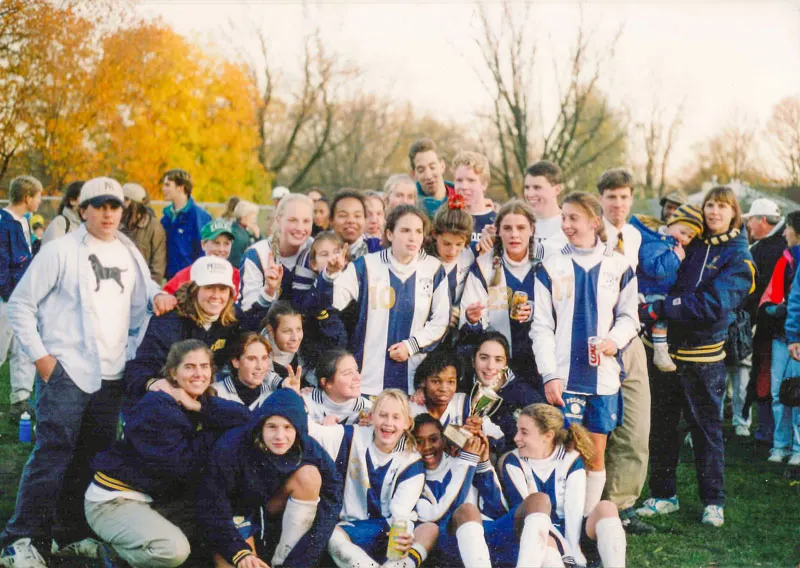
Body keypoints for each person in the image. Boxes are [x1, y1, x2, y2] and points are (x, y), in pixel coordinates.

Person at [0, 177, 175, 566]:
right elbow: (20, 305)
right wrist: (43, 359)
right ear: (84, 209)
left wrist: (159, 295)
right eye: (99, 205)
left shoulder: (128, 250)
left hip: (111, 375)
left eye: (115, 206)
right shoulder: (61, 250)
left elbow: (146, 291)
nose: (108, 212)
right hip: (67, 373)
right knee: (52, 456)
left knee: (92, 459)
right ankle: (20, 540)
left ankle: (69, 534)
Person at [638, 186, 755, 528]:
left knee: (706, 431)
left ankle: (713, 501)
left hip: (703, 357)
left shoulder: (739, 256)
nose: (714, 212)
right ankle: (663, 495)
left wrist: (662, 307)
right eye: (709, 206)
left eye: (722, 207)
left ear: (735, 213)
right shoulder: (693, 240)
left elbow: (714, 304)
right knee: (661, 428)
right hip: (666, 353)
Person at [85, 340, 250, 568]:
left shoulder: (199, 400)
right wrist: (217, 434)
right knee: (173, 551)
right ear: (173, 372)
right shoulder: (157, 405)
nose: (198, 374)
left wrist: (200, 408)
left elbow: (247, 418)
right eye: (189, 367)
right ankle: (114, 553)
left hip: (152, 498)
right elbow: (182, 466)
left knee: (215, 518)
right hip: (114, 500)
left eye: (204, 366)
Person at [532, 191, 639, 534]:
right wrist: (549, 374)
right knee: (562, 453)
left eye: (573, 218)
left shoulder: (619, 265)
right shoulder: (550, 266)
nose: (566, 225)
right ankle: (562, 525)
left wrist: (612, 341)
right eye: (563, 217)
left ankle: (589, 525)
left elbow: (629, 317)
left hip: (603, 378)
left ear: (595, 221)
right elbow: (542, 326)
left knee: (595, 453)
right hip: (564, 378)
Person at [199, 389, 342, 568]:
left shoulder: (307, 446)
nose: (280, 436)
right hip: (235, 517)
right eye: (272, 426)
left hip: (270, 509)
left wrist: (303, 558)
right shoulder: (231, 447)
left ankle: (283, 561)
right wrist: (239, 552)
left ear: (298, 428)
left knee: (309, 475)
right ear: (261, 426)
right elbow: (213, 508)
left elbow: (333, 496)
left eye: (288, 427)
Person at [318, 204, 450, 396]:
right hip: (367, 381)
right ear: (389, 234)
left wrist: (411, 345)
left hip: (412, 383)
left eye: (418, 231)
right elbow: (332, 303)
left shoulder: (434, 269)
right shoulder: (366, 265)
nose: (413, 237)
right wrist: (331, 274)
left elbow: (440, 322)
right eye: (405, 230)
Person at [594, 168, 655, 534]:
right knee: (597, 427)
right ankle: (590, 504)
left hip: (628, 337)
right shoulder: (586, 232)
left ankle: (621, 505)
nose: (618, 204)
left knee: (635, 425)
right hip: (593, 340)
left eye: (624, 197)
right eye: (611, 196)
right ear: (601, 198)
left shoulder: (633, 236)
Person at [314, 389, 437, 568]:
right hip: (353, 528)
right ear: (371, 417)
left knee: (429, 530)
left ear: (407, 423)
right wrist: (293, 395)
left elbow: (400, 512)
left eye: (396, 417)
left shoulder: (411, 460)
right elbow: (314, 432)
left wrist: (404, 536)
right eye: (383, 415)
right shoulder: (351, 436)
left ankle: (398, 565)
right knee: (331, 534)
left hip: (388, 529)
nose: (388, 423)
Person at [125, 256, 266, 408]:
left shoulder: (232, 317)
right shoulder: (170, 321)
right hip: (165, 401)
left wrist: (269, 292)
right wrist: (160, 385)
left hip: (203, 396)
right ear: (194, 289)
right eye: (209, 287)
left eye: (223, 289)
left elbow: (255, 333)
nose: (216, 296)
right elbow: (137, 370)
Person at [500, 404, 628, 568]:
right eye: (518, 430)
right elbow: (529, 517)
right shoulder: (513, 462)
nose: (516, 437)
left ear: (547, 436)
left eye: (524, 432)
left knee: (607, 508)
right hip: (535, 536)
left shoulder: (571, 459)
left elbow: (574, 511)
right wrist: (563, 551)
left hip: (571, 536)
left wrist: (573, 550)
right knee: (546, 542)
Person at [411, 415, 511, 568]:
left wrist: (483, 464)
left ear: (443, 441)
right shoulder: (412, 476)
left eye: (433, 439)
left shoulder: (461, 462)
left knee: (536, 501)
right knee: (468, 510)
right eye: (419, 441)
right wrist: (468, 460)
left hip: (484, 540)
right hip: (449, 545)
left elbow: (498, 510)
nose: (426, 447)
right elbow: (437, 517)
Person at [459, 199, 539, 390]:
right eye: (507, 228)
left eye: (521, 228)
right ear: (498, 230)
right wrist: (473, 319)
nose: (514, 235)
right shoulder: (484, 265)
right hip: (498, 366)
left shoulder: (546, 262)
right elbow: (468, 319)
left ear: (532, 229)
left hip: (539, 362)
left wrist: (533, 311)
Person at [630, 204, 704, 372]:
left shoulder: (669, 242)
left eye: (690, 236)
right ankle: (660, 350)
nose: (685, 239)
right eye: (683, 232)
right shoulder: (655, 241)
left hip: (660, 291)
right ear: (671, 223)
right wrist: (676, 257)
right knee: (660, 316)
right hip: (650, 291)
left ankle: (658, 349)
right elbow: (656, 269)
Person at [742, 198, 787, 439]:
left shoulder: (765, 249)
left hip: (773, 325)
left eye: (751, 220)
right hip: (775, 322)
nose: (748, 225)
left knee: (765, 372)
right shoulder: (776, 244)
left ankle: (768, 430)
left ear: (762, 220)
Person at [0, 175, 42, 418]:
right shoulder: (4, 222)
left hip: (22, 299)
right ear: (27, 197)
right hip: (7, 299)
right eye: (37, 196)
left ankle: (20, 400)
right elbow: (2, 263)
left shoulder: (24, 222)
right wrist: (8, 294)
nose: (39, 200)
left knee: (24, 349)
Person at [761, 210, 800, 465]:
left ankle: (797, 448)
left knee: (796, 393)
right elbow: (782, 297)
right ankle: (780, 444)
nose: (784, 233)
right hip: (783, 335)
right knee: (779, 392)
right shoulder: (784, 258)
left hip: (793, 334)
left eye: (787, 228)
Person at [239, 193, 314, 311]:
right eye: (292, 220)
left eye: (306, 221)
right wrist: (268, 291)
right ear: (278, 220)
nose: (300, 228)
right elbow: (248, 316)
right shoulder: (258, 254)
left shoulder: (317, 250)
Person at [427, 196, 474, 344]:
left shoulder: (469, 256)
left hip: (455, 337)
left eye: (459, 244)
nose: (452, 251)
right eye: (446, 243)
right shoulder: (424, 260)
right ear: (435, 234)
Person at [162, 218, 240, 298]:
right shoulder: (190, 272)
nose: (221, 249)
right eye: (216, 243)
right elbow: (166, 295)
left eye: (226, 244)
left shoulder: (237, 276)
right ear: (203, 244)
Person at [212, 332, 288, 411]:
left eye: (264, 358)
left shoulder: (272, 396)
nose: (259, 366)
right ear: (236, 362)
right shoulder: (216, 392)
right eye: (252, 359)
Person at [160, 168, 212, 279]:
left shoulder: (199, 216)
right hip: (170, 281)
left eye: (167, 185)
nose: (163, 188)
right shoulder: (166, 218)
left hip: (191, 282)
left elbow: (204, 252)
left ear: (181, 187)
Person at [303, 348, 372, 425]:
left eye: (357, 370)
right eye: (347, 373)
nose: (358, 378)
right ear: (326, 382)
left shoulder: (369, 410)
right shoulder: (305, 403)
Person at [121, 182, 167, 284]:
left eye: (125, 199)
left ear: (134, 203)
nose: (121, 204)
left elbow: (157, 268)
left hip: (142, 289)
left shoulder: (154, 228)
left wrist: (148, 292)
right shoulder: (116, 224)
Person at [452, 151, 496, 255]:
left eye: (471, 180)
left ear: (484, 184)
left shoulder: (497, 222)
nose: (464, 186)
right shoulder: (448, 218)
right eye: (459, 180)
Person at [523, 160, 568, 255]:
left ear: (557, 189)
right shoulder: (518, 224)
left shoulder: (571, 224)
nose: (530, 194)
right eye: (527, 188)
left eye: (537, 187)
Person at [409, 138, 456, 218]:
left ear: (442, 166)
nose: (428, 176)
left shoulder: (463, 199)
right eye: (421, 170)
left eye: (432, 167)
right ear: (414, 174)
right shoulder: (410, 207)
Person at [329, 189, 380, 260]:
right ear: (331, 220)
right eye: (343, 215)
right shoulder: (320, 247)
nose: (351, 221)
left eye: (357, 216)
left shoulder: (377, 247)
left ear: (365, 220)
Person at [41, 180, 84, 245]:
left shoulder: (86, 225)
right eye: (84, 196)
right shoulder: (60, 223)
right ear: (72, 201)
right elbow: (54, 252)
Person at [229, 199, 261, 268]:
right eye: (252, 215)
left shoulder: (242, 231)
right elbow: (236, 262)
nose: (254, 219)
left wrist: (257, 236)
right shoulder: (238, 235)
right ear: (243, 216)